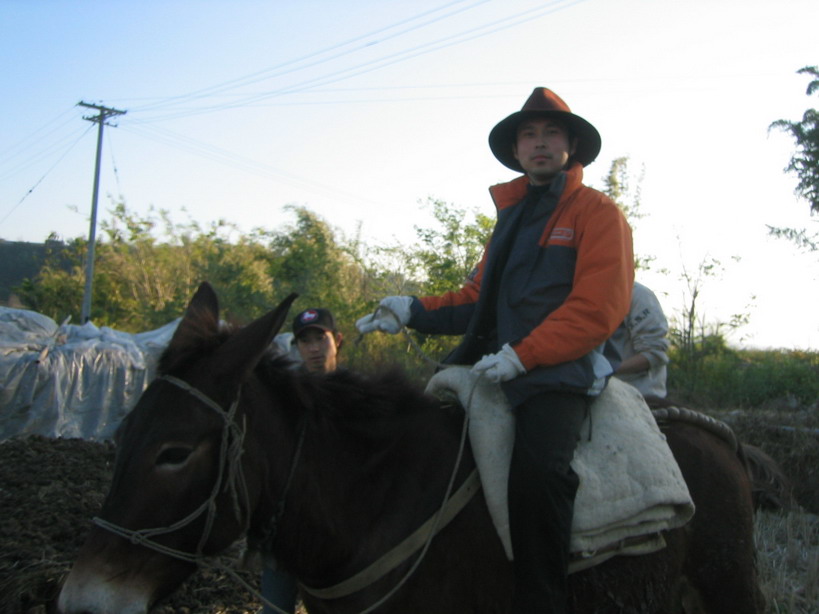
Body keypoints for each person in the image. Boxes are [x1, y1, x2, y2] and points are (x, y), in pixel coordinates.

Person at [356, 87, 634, 613]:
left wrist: (524, 355)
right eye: (529, 134)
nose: (540, 143)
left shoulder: (598, 213)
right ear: (517, 150)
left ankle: (542, 601)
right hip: (490, 367)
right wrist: (412, 308)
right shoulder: (509, 219)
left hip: (557, 375)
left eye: (552, 132)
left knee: (538, 476)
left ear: (571, 145)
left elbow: (599, 306)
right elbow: (476, 300)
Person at [261, 307, 343, 614]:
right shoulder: (284, 400)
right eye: (304, 341)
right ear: (296, 348)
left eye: (320, 338)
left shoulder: (356, 397)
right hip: (288, 532)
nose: (313, 349)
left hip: (343, 534)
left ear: (337, 340)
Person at [610, 282, 670, 400]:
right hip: (599, 395)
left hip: (640, 396)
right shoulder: (583, 295)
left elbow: (653, 355)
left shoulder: (639, 295)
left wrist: (604, 370)